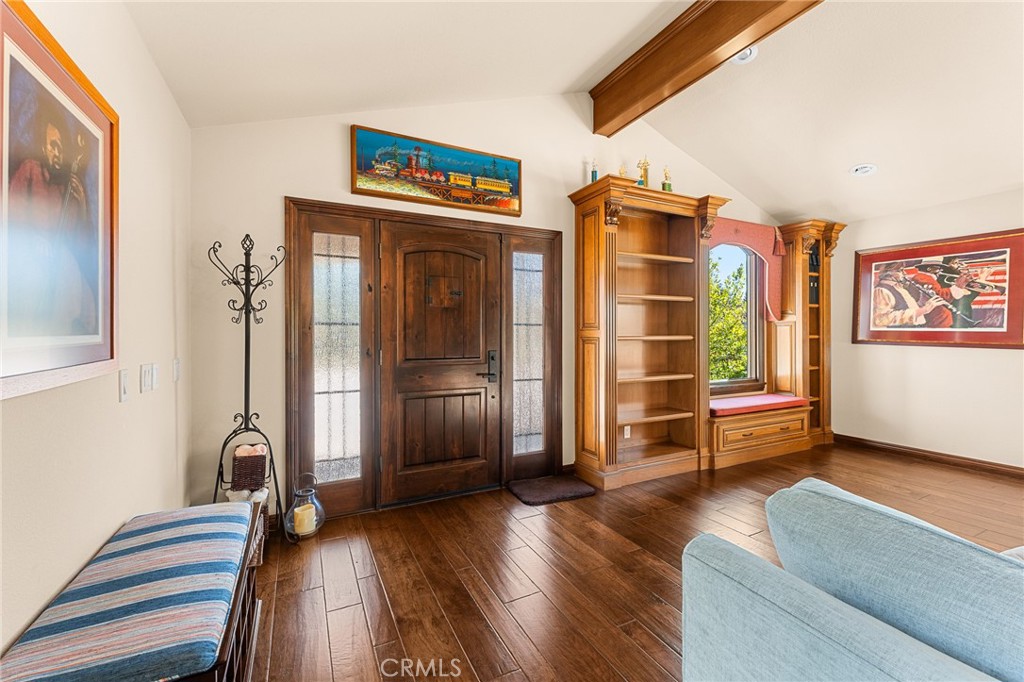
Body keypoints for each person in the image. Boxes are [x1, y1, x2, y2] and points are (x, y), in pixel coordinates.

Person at [6, 99, 96, 336]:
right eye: (51, 145)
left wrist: (83, 202)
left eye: (60, 145)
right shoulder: (30, 170)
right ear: (44, 148)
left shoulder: (67, 187)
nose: (57, 151)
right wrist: (35, 242)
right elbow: (10, 217)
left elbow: (82, 245)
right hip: (29, 260)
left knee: (81, 293)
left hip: (61, 265)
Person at [871, 262, 946, 328]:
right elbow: (881, 319)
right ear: (890, 273)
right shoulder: (882, 290)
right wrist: (923, 310)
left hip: (916, 328)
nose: (905, 273)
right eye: (900, 270)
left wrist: (925, 299)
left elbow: (909, 306)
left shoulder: (899, 287)